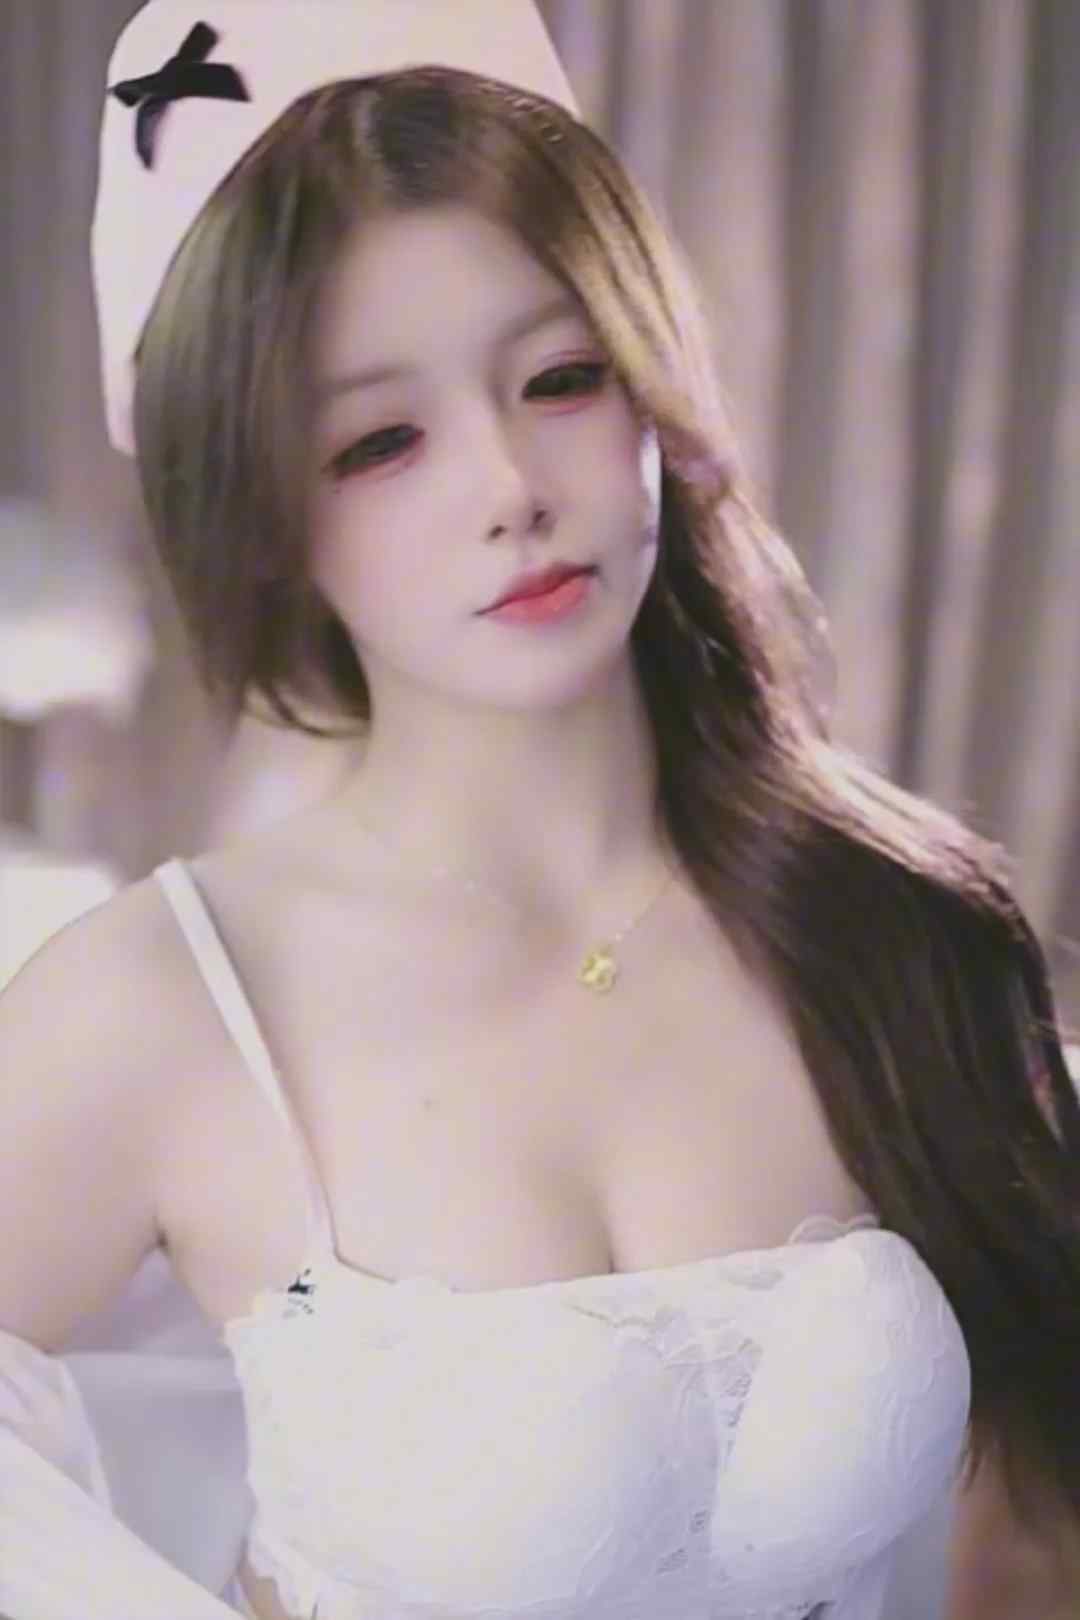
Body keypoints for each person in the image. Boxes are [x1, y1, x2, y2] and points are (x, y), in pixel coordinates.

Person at [2, 2, 1079, 1617]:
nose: (510, 486)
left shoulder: (902, 931)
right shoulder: (164, 1001)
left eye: (561, 379)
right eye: (382, 441)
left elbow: (1036, 1545)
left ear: (655, 386)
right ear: (265, 514)